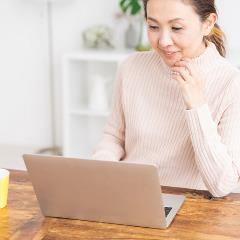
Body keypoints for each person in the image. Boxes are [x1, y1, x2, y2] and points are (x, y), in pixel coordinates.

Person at [92, 0, 240, 197]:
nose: (163, 41)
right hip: (127, 196)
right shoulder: (131, 67)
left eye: (176, 28)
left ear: (208, 23)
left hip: (191, 211)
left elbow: (222, 185)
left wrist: (196, 105)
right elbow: (114, 136)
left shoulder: (230, 82)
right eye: (153, 26)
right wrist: (101, 169)